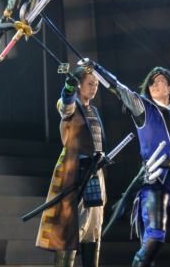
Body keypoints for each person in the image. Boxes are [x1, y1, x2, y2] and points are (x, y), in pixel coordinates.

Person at [90, 63, 170, 267]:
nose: (155, 85)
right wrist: (96, 68)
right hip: (154, 180)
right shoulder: (143, 108)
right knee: (154, 239)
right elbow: (118, 88)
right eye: (152, 83)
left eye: (160, 81)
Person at [36, 65, 105, 267]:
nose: (94, 88)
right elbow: (66, 106)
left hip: (96, 171)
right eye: (90, 83)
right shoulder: (71, 106)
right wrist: (68, 88)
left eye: (96, 84)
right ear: (80, 85)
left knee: (93, 226)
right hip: (76, 171)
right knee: (71, 225)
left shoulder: (94, 110)